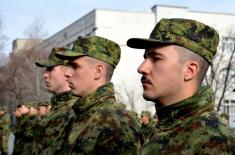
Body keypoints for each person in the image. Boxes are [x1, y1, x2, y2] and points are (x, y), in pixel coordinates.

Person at [127, 18, 235, 154]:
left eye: (156, 58)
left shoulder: (217, 144)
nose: (142, 68)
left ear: (190, 71)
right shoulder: (166, 128)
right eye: (146, 58)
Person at [55, 35, 143, 154]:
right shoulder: (83, 114)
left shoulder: (116, 123)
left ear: (98, 71)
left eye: (74, 66)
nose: (67, 73)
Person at [33, 48, 78, 154]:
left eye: (50, 68)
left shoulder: (76, 109)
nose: (44, 75)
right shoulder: (58, 107)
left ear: (68, 72)